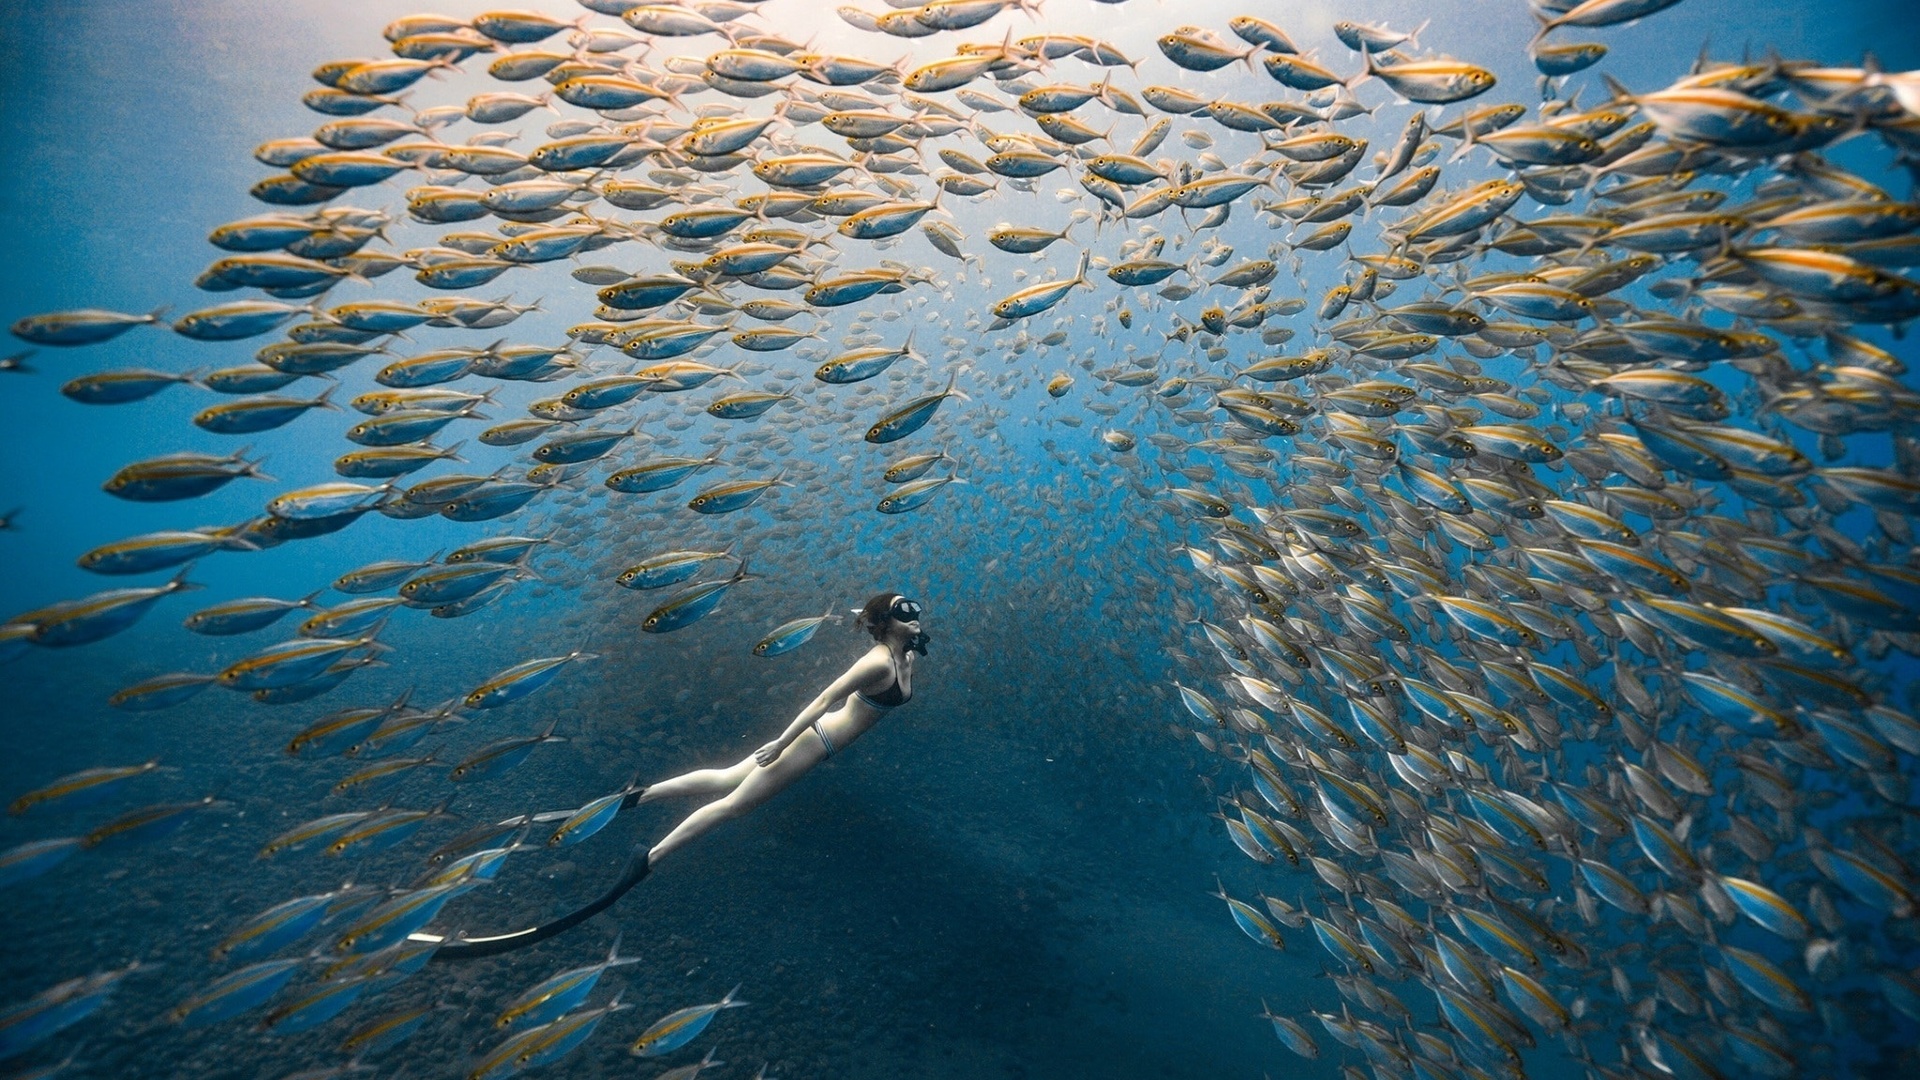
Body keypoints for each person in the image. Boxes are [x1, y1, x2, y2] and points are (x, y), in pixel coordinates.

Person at [420, 593, 927, 961]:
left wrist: (911, 643)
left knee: (728, 779)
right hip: (815, 741)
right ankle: (648, 861)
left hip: (819, 740)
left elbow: (900, 664)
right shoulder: (877, 662)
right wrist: (780, 742)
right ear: (885, 625)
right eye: (905, 613)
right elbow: (823, 699)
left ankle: (634, 800)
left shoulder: (904, 654)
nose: (916, 617)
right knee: (735, 806)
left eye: (915, 612)